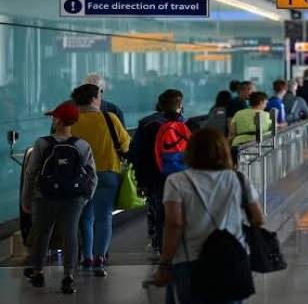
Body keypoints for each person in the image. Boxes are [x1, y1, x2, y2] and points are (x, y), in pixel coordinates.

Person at [153, 128, 265, 304]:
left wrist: (165, 264)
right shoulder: (238, 179)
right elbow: (258, 218)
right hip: (232, 259)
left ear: (190, 151)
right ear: (223, 151)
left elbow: (174, 224)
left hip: (190, 261)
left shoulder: (176, 181)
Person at [21, 102, 96, 294]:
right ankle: (68, 277)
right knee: (70, 234)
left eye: (54, 117)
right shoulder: (82, 145)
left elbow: (31, 173)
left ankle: (38, 272)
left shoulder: (42, 143)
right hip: (74, 197)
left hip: (45, 196)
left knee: (42, 232)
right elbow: (92, 175)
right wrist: (86, 198)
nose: (52, 120)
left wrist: (26, 198)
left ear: (58, 120)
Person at [70, 83, 131, 277]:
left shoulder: (72, 121)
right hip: (108, 173)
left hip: (80, 175)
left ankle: (86, 257)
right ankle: (99, 259)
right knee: (104, 217)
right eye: (99, 96)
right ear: (93, 99)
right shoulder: (110, 118)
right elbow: (126, 145)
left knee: (85, 218)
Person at [130, 90, 186, 255]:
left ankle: (163, 251)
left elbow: (137, 155)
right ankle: (181, 250)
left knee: (160, 213)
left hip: (156, 177)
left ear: (160, 105)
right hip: (184, 177)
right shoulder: (188, 125)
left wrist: (141, 182)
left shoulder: (146, 124)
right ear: (180, 104)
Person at [229, 91, 272, 165]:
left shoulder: (238, 114)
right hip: (258, 146)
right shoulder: (267, 115)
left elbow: (232, 133)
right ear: (261, 102)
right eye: (265, 102)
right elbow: (274, 132)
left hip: (238, 146)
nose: (266, 105)